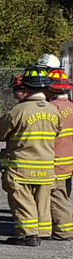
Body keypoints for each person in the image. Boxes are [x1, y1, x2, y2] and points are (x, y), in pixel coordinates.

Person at [0, 71, 61, 246]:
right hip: (46, 166)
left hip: (21, 165)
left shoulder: (18, 110)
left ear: (26, 87)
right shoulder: (53, 110)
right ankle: (43, 232)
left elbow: (1, 134)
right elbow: (57, 132)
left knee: (22, 199)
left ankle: (28, 235)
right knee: (42, 200)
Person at [48, 69, 73, 240]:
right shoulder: (71, 107)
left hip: (55, 159)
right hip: (69, 159)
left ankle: (64, 230)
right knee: (64, 192)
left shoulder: (52, 108)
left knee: (57, 196)